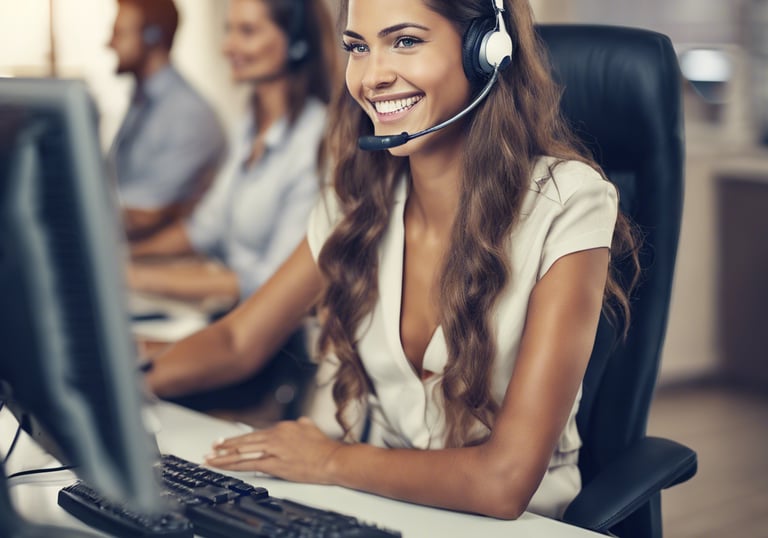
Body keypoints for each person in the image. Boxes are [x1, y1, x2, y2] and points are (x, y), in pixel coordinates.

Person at [143, 0, 639, 521]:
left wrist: (333, 460)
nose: (372, 76)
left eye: (405, 41)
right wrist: (95, 379)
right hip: (371, 508)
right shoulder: (357, 200)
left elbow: (503, 481)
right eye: (358, 47)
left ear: (484, 50)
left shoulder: (568, 204)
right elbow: (237, 340)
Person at [127, 0, 337, 306]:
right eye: (229, 30)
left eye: (247, 31)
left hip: (278, 334)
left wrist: (136, 277)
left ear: (296, 42)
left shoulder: (316, 140)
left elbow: (271, 281)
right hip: (232, 312)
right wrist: (125, 257)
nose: (227, 46)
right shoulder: (250, 126)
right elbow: (203, 230)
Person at [108, 0, 227, 240]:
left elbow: (146, 213)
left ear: (152, 37)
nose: (109, 44)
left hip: (160, 253)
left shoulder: (187, 114)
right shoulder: (142, 102)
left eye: (118, 33)